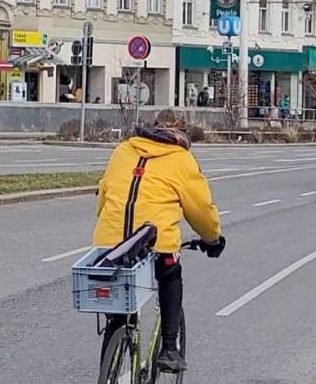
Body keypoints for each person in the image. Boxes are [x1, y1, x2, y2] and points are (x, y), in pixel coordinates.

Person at [91, 110, 224, 372]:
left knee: (118, 311)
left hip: (111, 245)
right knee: (170, 274)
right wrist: (212, 238)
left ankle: (110, 361)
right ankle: (170, 348)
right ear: (181, 134)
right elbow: (200, 208)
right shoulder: (181, 159)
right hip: (156, 242)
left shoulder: (123, 150)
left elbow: (104, 194)